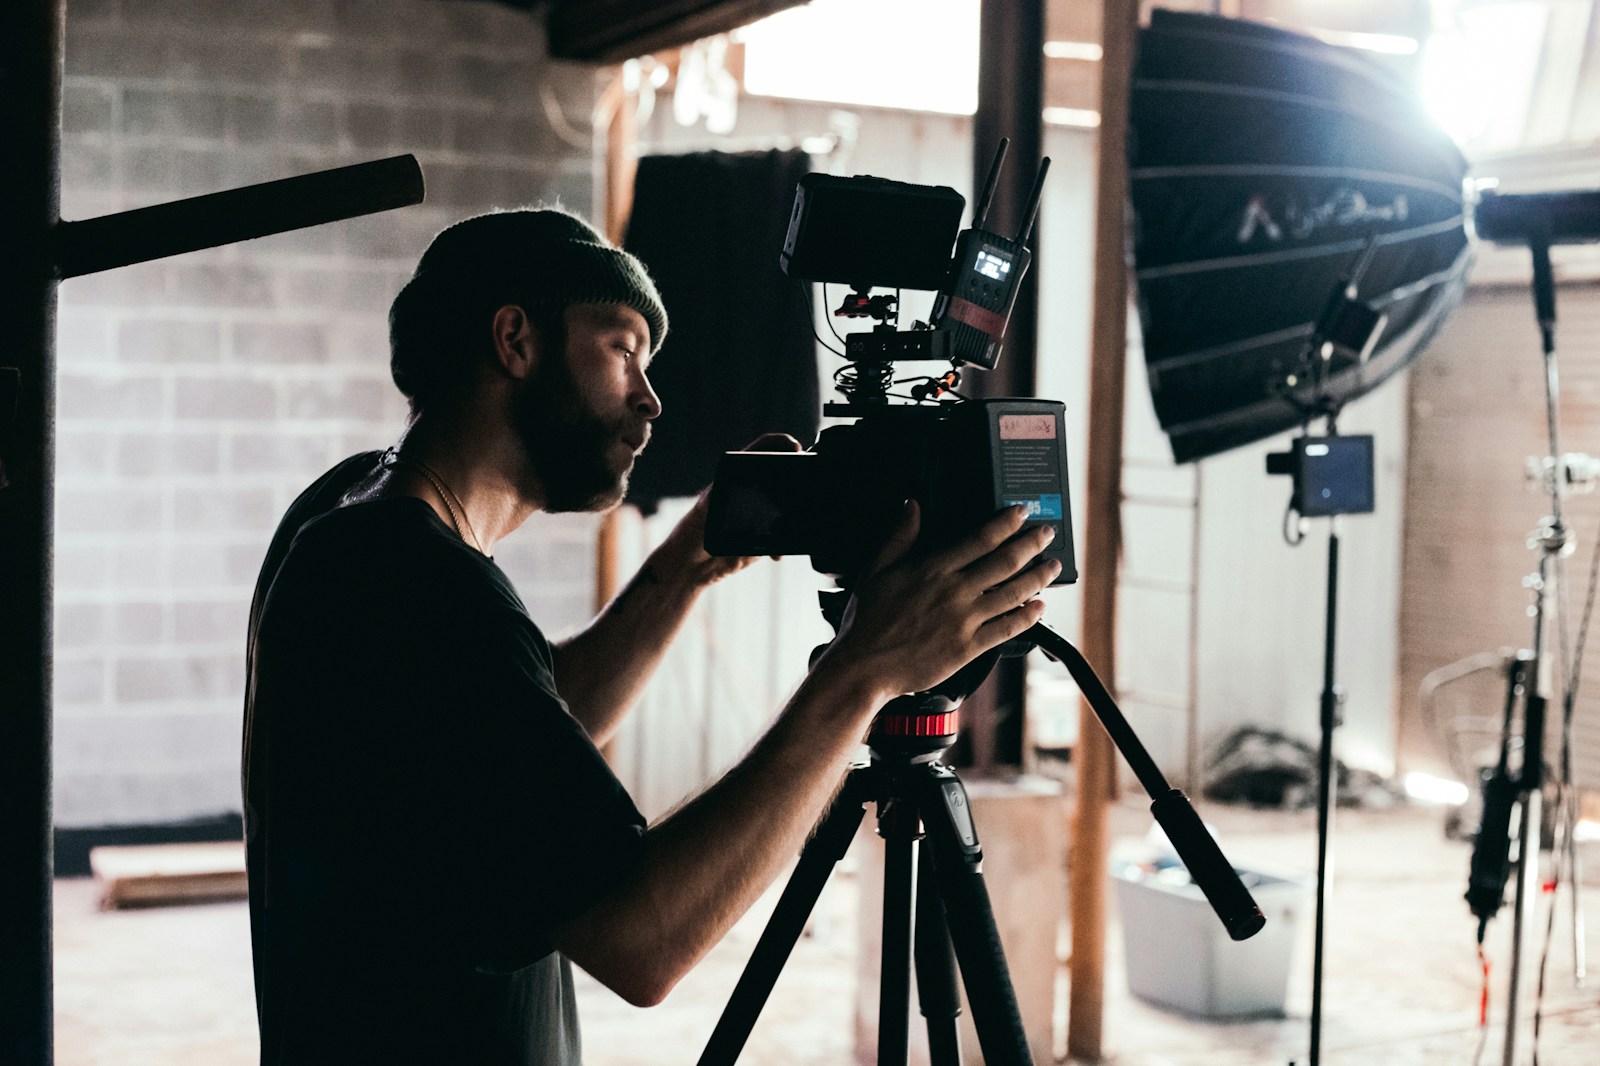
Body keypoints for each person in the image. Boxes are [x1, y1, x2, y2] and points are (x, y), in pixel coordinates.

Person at [242, 207, 1059, 1065]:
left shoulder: (353, 519)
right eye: (622, 349)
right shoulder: (415, 584)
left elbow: (512, 737)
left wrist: (682, 572)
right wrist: (864, 671)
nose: (651, 397)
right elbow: (644, 936)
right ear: (515, 340)